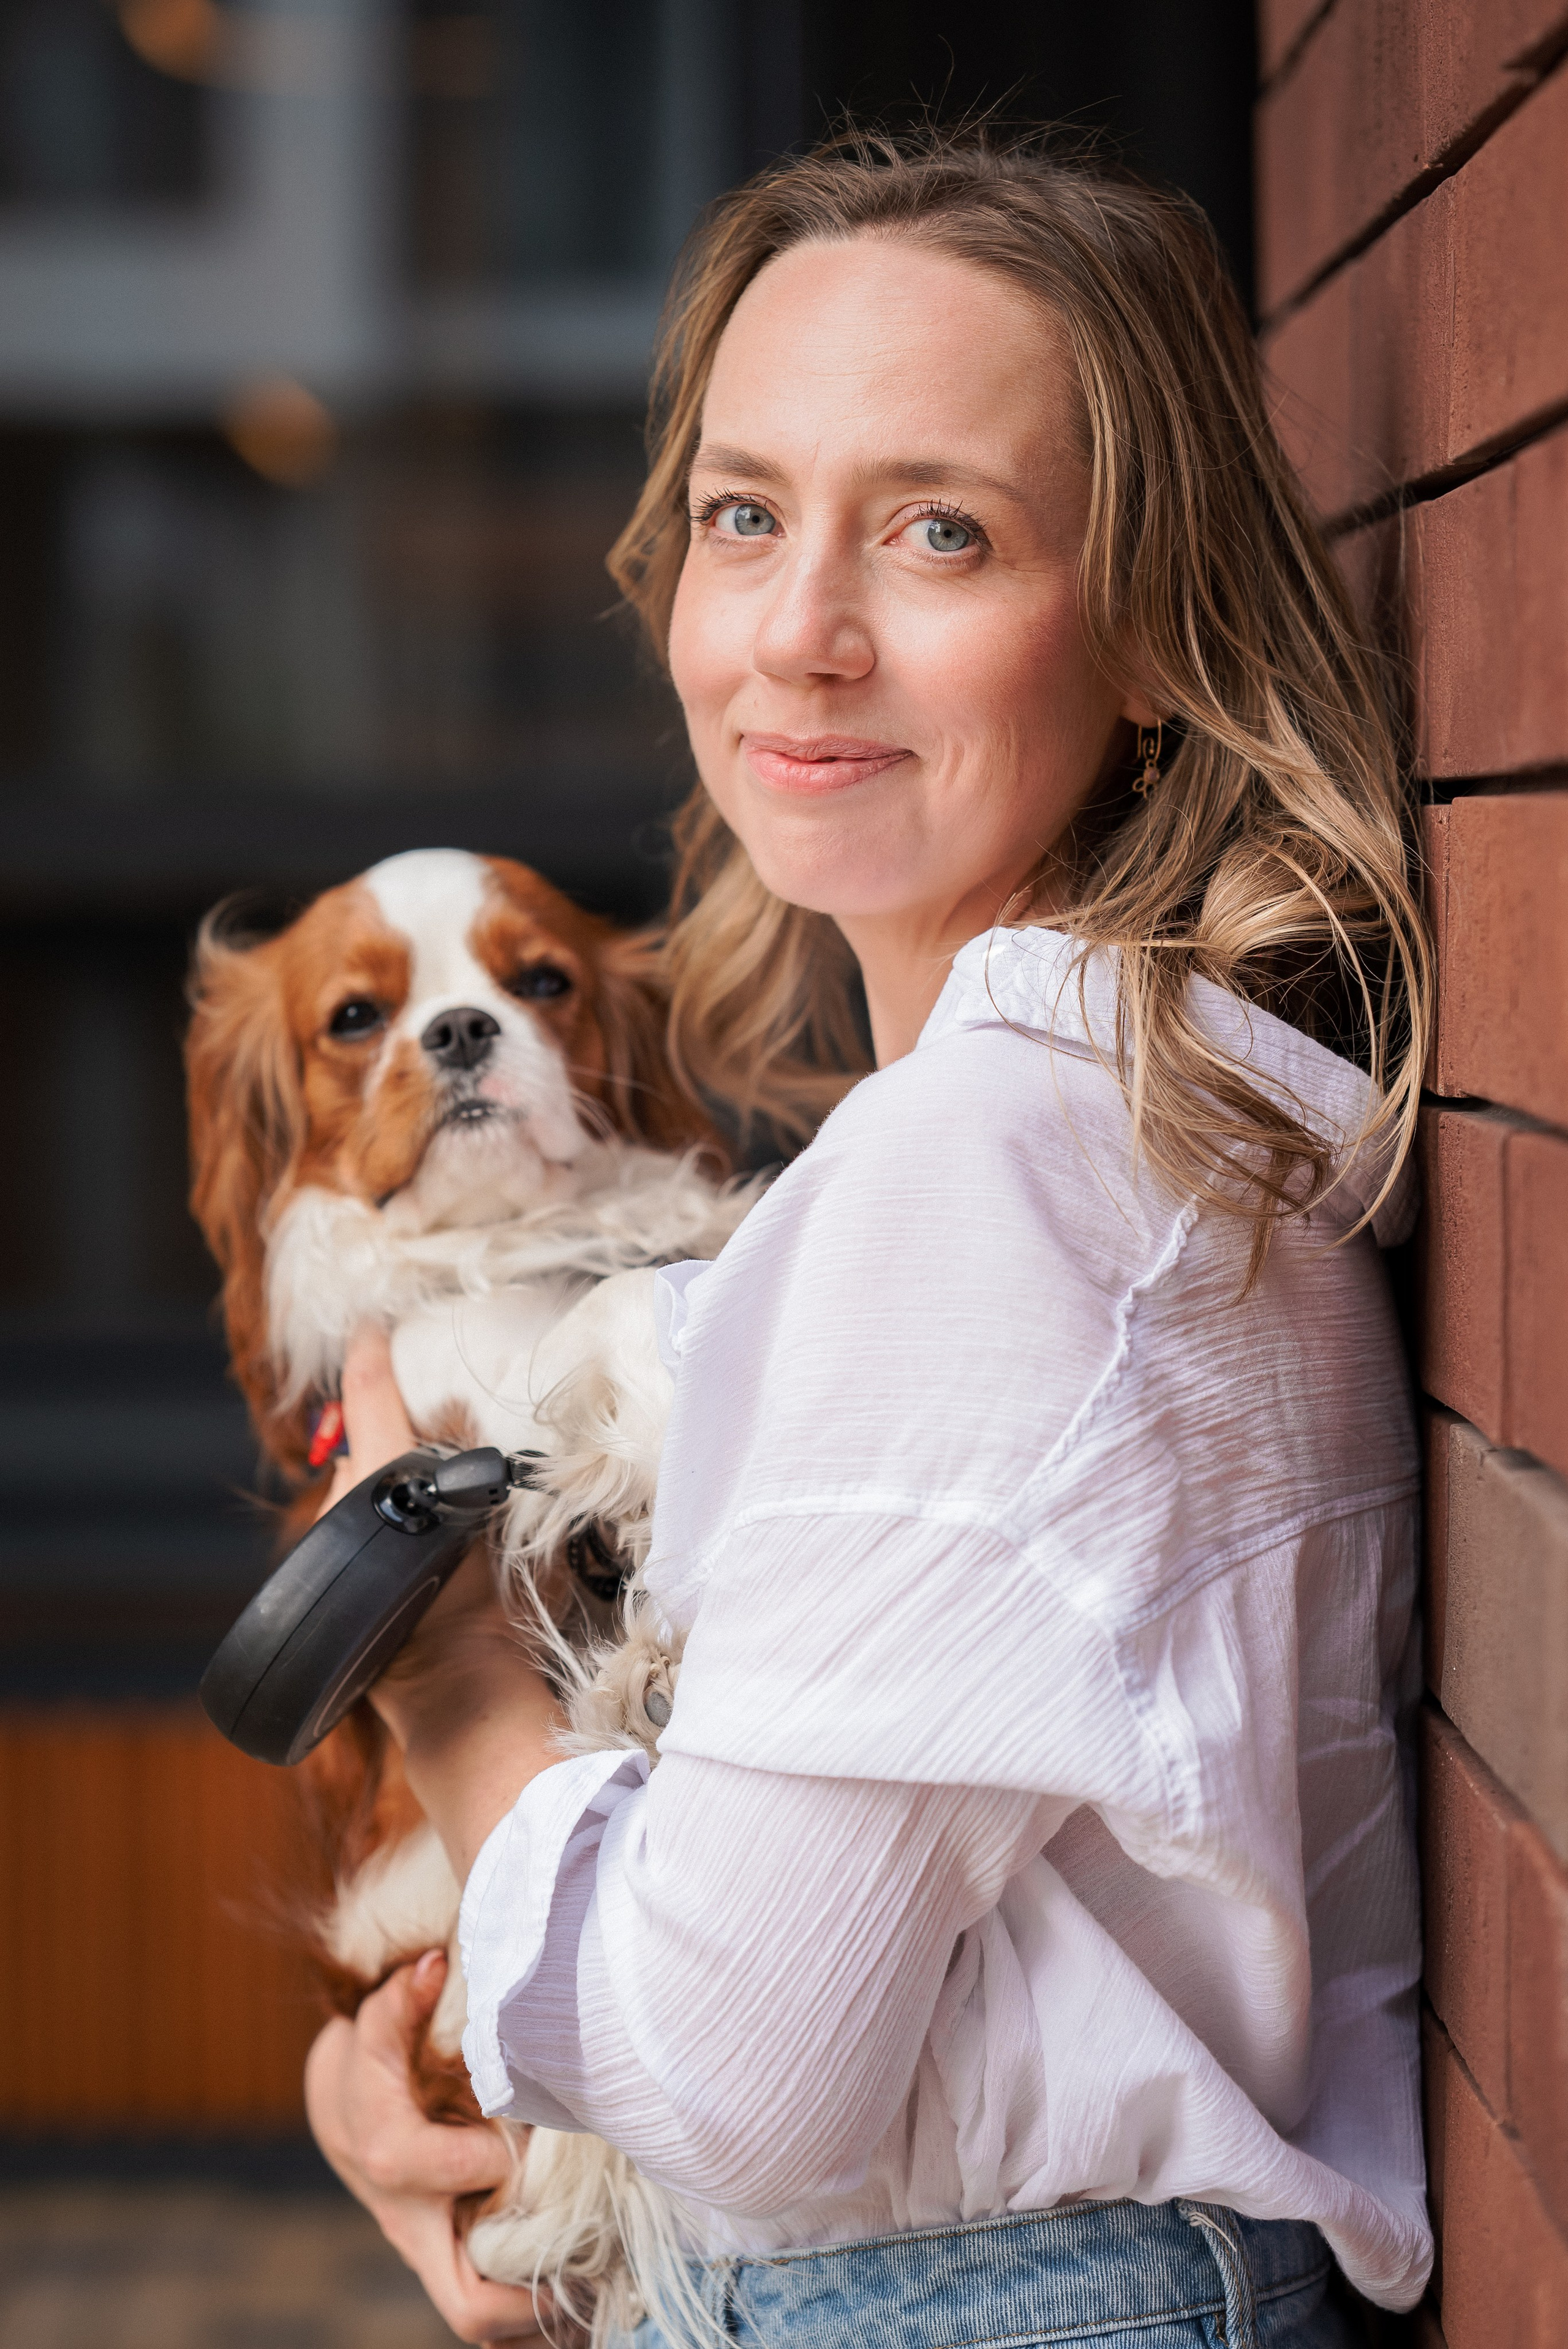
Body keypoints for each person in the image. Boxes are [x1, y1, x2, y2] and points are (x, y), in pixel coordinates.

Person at [304, 130, 1433, 2348]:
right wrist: (439, 2080)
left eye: (939, 530)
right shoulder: (1073, 1119)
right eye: (748, 514)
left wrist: (440, 1683)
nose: (802, 635)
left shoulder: (998, 1167)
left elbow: (742, 2076)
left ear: (1145, 630)